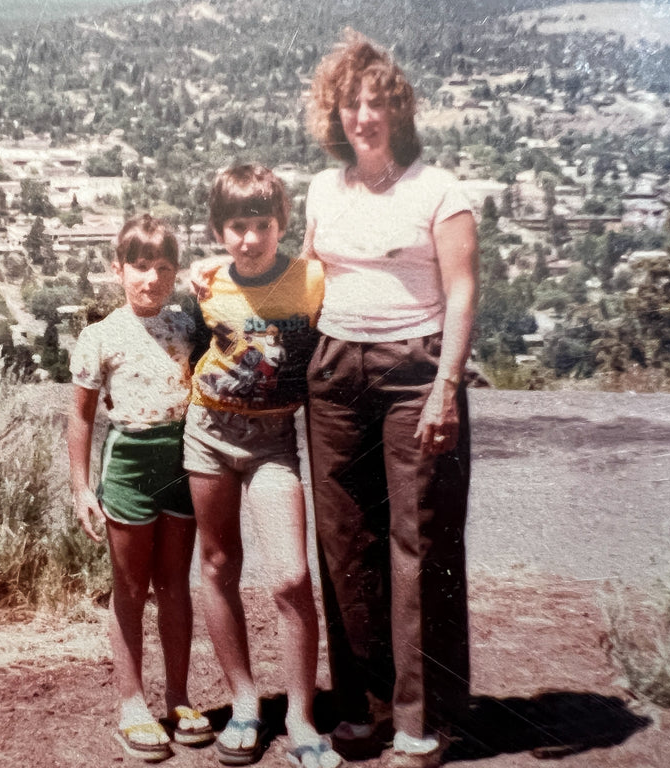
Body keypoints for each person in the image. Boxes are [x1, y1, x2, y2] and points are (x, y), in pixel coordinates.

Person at [302, 31, 480, 768]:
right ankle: (363, 707)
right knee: (345, 542)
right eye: (351, 104)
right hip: (335, 370)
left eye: (376, 103)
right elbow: (306, 281)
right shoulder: (321, 189)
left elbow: (464, 289)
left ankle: (425, 716)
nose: (363, 116)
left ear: (398, 111)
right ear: (334, 114)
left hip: (417, 371)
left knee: (419, 542)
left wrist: (447, 385)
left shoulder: (440, 191)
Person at [186, 165, 342, 768]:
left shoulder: (310, 281)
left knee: (290, 578)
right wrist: (203, 266)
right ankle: (245, 703)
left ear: (281, 223)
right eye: (236, 227)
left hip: (274, 440)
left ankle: (302, 721)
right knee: (220, 564)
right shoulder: (207, 282)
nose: (250, 239)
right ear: (219, 229)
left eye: (261, 225)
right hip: (207, 433)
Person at [67, 214, 214, 763]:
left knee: (175, 585)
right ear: (118, 269)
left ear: (174, 273)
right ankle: (132, 703)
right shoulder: (100, 335)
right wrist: (83, 488)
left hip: (182, 460)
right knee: (130, 589)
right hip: (128, 464)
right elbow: (81, 416)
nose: (150, 278)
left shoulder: (186, 326)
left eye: (163, 268)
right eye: (139, 266)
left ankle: (178, 696)